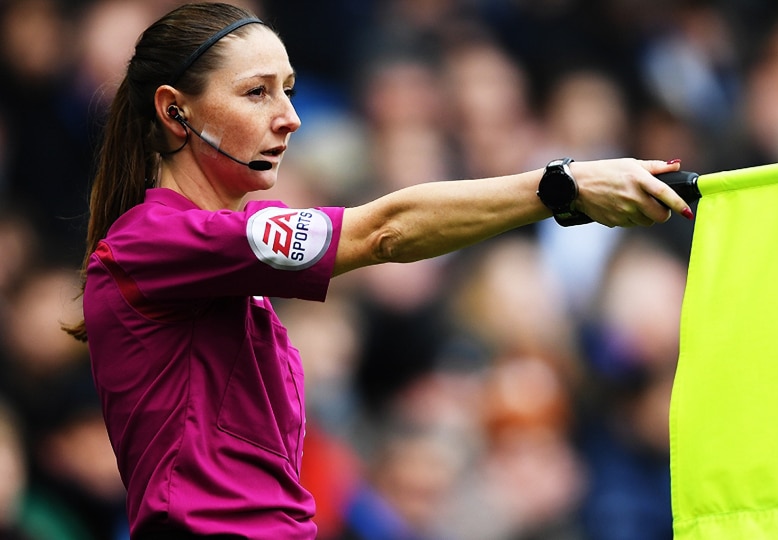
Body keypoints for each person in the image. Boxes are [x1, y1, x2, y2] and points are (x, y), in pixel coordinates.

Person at [62, 2, 693, 539]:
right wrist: (565, 186)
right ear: (175, 112)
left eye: (289, 89)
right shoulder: (158, 238)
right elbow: (384, 230)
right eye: (257, 92)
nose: (289, 116)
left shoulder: (217, 258)